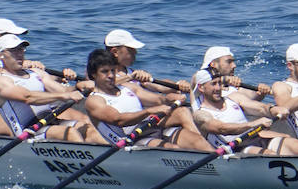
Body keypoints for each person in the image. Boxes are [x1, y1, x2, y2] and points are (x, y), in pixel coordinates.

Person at [83, 49, 211, 151]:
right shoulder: (94, 100)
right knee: (172, 149)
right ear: (94, 74)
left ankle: (216, 159)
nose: (111, 75)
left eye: (112, 70)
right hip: (131, 140)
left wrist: (172, 96)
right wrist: (149, 111)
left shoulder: (128, 87)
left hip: (150, 126)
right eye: (105, 72)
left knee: (192, 132)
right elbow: (118, 119)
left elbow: (159, 101)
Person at [0, 34, 101, 143]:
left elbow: (62, 91)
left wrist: (78, 86)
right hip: (29, 131)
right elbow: (28, 97)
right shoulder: (1, 80)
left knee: (89, 129)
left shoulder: (36, 73)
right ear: (1, 54)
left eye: (21, 49)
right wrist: (64, 96)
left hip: (51, 121)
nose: (19, 54)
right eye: (14, 50)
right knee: (69, 133)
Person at [191, 69, 298, 156]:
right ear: (201, 87)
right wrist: (253, 125)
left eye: (219, 83)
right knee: (270, 155)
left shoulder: (233, 97)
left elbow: (259, 108)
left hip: (256, 137)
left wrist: (272, 109)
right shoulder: (200, 114)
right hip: (236, 148)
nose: (218, 88)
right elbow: (222, 128)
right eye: (213, 84)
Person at [198, 46, 288, 121]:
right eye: (229, 62)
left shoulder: (234, 89)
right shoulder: (201, 87)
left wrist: (261, 92)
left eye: (233, 62)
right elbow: (198, 78)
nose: (234, 66)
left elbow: (250, 98)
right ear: (213, 64)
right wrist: (224, 79)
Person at [104, 29, 187, 94]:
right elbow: (98, 85)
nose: (135, 52)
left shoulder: (134, 74)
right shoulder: (98, 74)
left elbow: (160, 87)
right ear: (115, 52)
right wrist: (130, 77)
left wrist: (178, 85)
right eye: (130, 49)